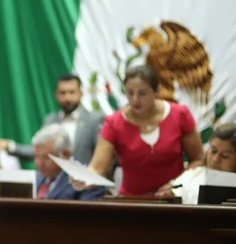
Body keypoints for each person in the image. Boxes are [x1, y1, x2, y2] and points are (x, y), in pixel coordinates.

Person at [76, 65, 205, 195]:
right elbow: (97, 167)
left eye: (142, 93)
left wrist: (176, 185)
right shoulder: (114, 122)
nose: (135, 99)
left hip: (175, 198)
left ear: (156, 91)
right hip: (132, 202)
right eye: (130, 93)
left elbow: (198, 159)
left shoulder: (179, 115)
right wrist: (83, 177)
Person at [0, 73, 104, 165]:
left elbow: (102, 156)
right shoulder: (50, 120)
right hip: (54, 185)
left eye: (71, 92)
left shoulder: (94, 120)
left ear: (81, 93)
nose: (67, 98)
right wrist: (10, 146)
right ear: (56, 95)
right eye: (63, 93)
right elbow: (37, 151)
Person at [156, 123, 236, 203]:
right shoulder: (192, 176)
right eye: (213, 151)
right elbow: (170, 193)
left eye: (224, 156)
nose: (215, 159)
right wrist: (167, 195)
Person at [32, 124, 106, 201]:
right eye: (36, 156)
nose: (39, 163)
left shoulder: (86, 182)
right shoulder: (37, 178)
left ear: (65, 154)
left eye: (46, 157)